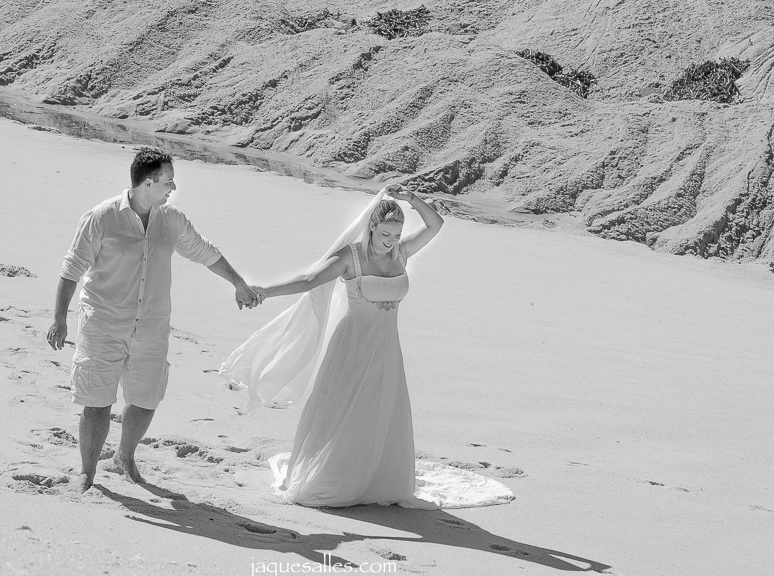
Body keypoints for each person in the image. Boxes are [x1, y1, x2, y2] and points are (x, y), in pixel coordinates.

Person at [220, 184, 514, 508]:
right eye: (386, 234)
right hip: (353, 349)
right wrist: (264, 291)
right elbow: (308, 281)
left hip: (388, 352)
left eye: (397, 234)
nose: (391, 242)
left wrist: (411, 199)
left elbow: (435, 225)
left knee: (380, 417)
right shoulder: (351, 257)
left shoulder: (401, 253)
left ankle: (374, 480)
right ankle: (335, 477)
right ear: (371, 227)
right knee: (344, 414)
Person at [47, 147, 259, 494]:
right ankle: (86, 471)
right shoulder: (102, 218)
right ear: (149, 183)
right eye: (168, 181)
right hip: (104, 325)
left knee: (145, 400)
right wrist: (59, 318)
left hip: (152, 327)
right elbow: (72, 268)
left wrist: (238, 282)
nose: (172, 188)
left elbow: (205, 251)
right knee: (97, 403)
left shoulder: (171, 219)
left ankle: (124, 456)